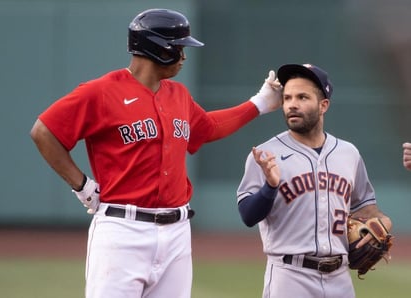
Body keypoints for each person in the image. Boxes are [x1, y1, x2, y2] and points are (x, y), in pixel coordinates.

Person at [30, 8, 282, 298]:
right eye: (179, 48)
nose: (184, 56)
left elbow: (208, 127)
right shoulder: (100, 92)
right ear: (158, 48)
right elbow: (44, 131)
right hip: (122, 230)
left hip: (176, 231)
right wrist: (82, 185)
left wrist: (261, 102)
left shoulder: (178, 94)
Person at [236, 63, 392, 298]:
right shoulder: (265, 154)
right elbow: (248, 215)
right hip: (290, 276)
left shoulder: (348, 153)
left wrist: (384, 224)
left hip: (339, 278)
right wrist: (270, 186)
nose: (292, 105)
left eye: (302, 97)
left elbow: (368, 209)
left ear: (323, 105)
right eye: (287, 98)